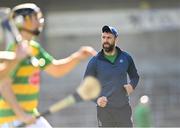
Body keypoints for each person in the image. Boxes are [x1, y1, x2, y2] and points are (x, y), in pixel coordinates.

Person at [0, 3, 97, 127]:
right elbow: (3, 84)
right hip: (12, 117)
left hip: (29, 114)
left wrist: (76, 57)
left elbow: (55, 69)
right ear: (21, 22)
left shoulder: (34, 48)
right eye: (36, 18)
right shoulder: (13, 49)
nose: (40, 22)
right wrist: (21, 115)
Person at [84, 25, 139, 127]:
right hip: (105, 111)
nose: (105, 40)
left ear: (116, 39)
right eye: (103, 37)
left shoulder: (126, 57)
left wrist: (132, 86)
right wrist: (97, 99)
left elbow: (135, 76)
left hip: (124, 109)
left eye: (109, 37)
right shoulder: (95, 61)